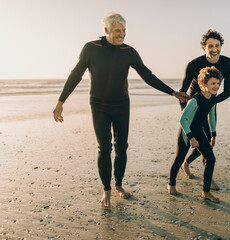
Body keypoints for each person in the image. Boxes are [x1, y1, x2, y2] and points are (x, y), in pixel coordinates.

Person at [53, 12, 189, 208]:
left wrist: (173, 93)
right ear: (107, 30)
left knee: (121, 148)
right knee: (104, 148)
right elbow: (75, 75)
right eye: (118, 31)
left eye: (124, 31)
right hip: (98, 105)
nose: (122, 34)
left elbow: (147, 76)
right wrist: (61, 101)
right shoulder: (91, 49)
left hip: (122, 105)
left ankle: (118, 185)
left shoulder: (129, 52)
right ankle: (106, 190)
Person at [179, 30, 230, 190]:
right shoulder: (194, 64)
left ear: (221, 46)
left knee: (208, 142)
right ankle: (183, 166)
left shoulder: (228, 63)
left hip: (210, 105)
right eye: (210, 46)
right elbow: (182, 92)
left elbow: (227, 92)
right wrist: (186, 113)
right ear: (204, 48)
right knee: (191, 142)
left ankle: (201, 174)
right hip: (193, 106)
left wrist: (210, 103)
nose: (214, 49)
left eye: (217, 45)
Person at [168, 66, 223, 203]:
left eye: (218, 84)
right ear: (203, 85)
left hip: (200, 132)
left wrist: (213, 135)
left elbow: (211, 118)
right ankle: (171, 184)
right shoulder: (195, 100)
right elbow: (183, 119)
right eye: (213, 84)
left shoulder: (212, 99)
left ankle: (206, 192)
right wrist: (191, 137)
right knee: (179, 158)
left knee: (210, 158)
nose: (216, 87)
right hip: (187, 133)